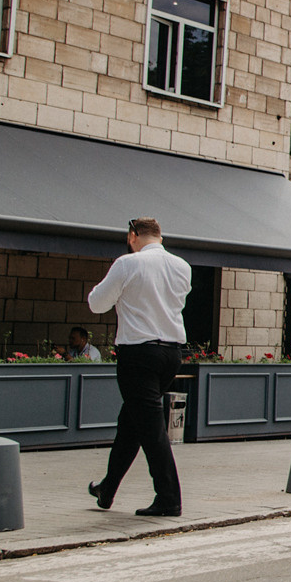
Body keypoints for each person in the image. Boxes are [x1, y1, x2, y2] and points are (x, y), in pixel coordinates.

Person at [85, 217, 192, 517]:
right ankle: (107, 489)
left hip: (138, 355)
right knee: (131, 423)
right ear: (159, 236)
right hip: (171, 354)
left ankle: (169, 498)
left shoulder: (127, 264)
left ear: (133, 236)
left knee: (150, 428)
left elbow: (97, 304)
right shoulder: (182, 267)